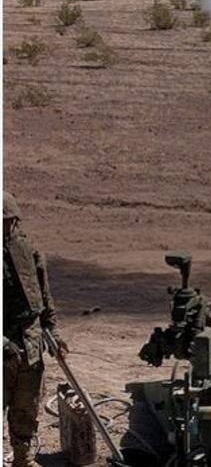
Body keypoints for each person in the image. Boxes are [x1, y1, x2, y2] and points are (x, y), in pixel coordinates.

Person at [4, 191, 67, 467]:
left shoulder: (27, 250)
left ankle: (23, 457)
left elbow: (43, 295)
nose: (7, 227)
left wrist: (52, 330)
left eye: (10, 221)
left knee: (26, 405)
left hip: (30, 340)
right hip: (4, 342)